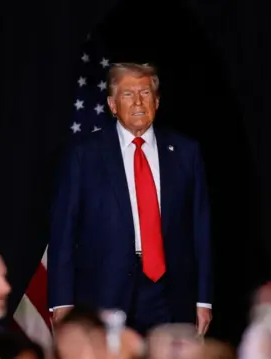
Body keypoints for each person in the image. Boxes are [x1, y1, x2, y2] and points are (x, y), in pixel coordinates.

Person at [48, 63, 213, 335]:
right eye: (127, 94)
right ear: (112, 105)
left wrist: (203, 298)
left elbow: (201, 230)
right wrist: (61, 301)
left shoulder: (186, 152)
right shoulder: (84, 154)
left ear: (157, 101)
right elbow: (63, 232)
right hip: (103, 291)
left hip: (169, 293)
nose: (138, 101)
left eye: (145, 93)